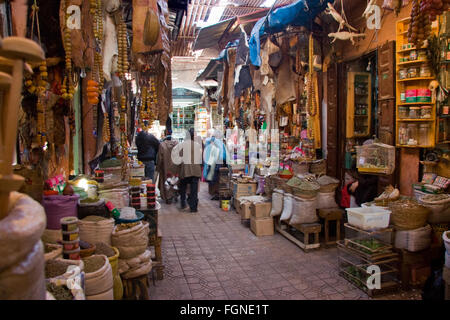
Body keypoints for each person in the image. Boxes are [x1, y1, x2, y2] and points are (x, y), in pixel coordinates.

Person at [178, 128, 202, 212]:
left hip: (186, 170)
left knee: (183, 187)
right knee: (194, 190)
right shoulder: (197, 145)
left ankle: (183, 204)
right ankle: (193, 208)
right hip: (195, 170)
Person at [156, 129, 179, 203]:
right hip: (175, 167)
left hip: (165, 167)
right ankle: (175, 194)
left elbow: (159, 158)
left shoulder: (162, 145)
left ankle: (168, 197)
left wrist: (158, 167)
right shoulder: (177, 144)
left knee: (166, 181)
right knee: (175, 180)